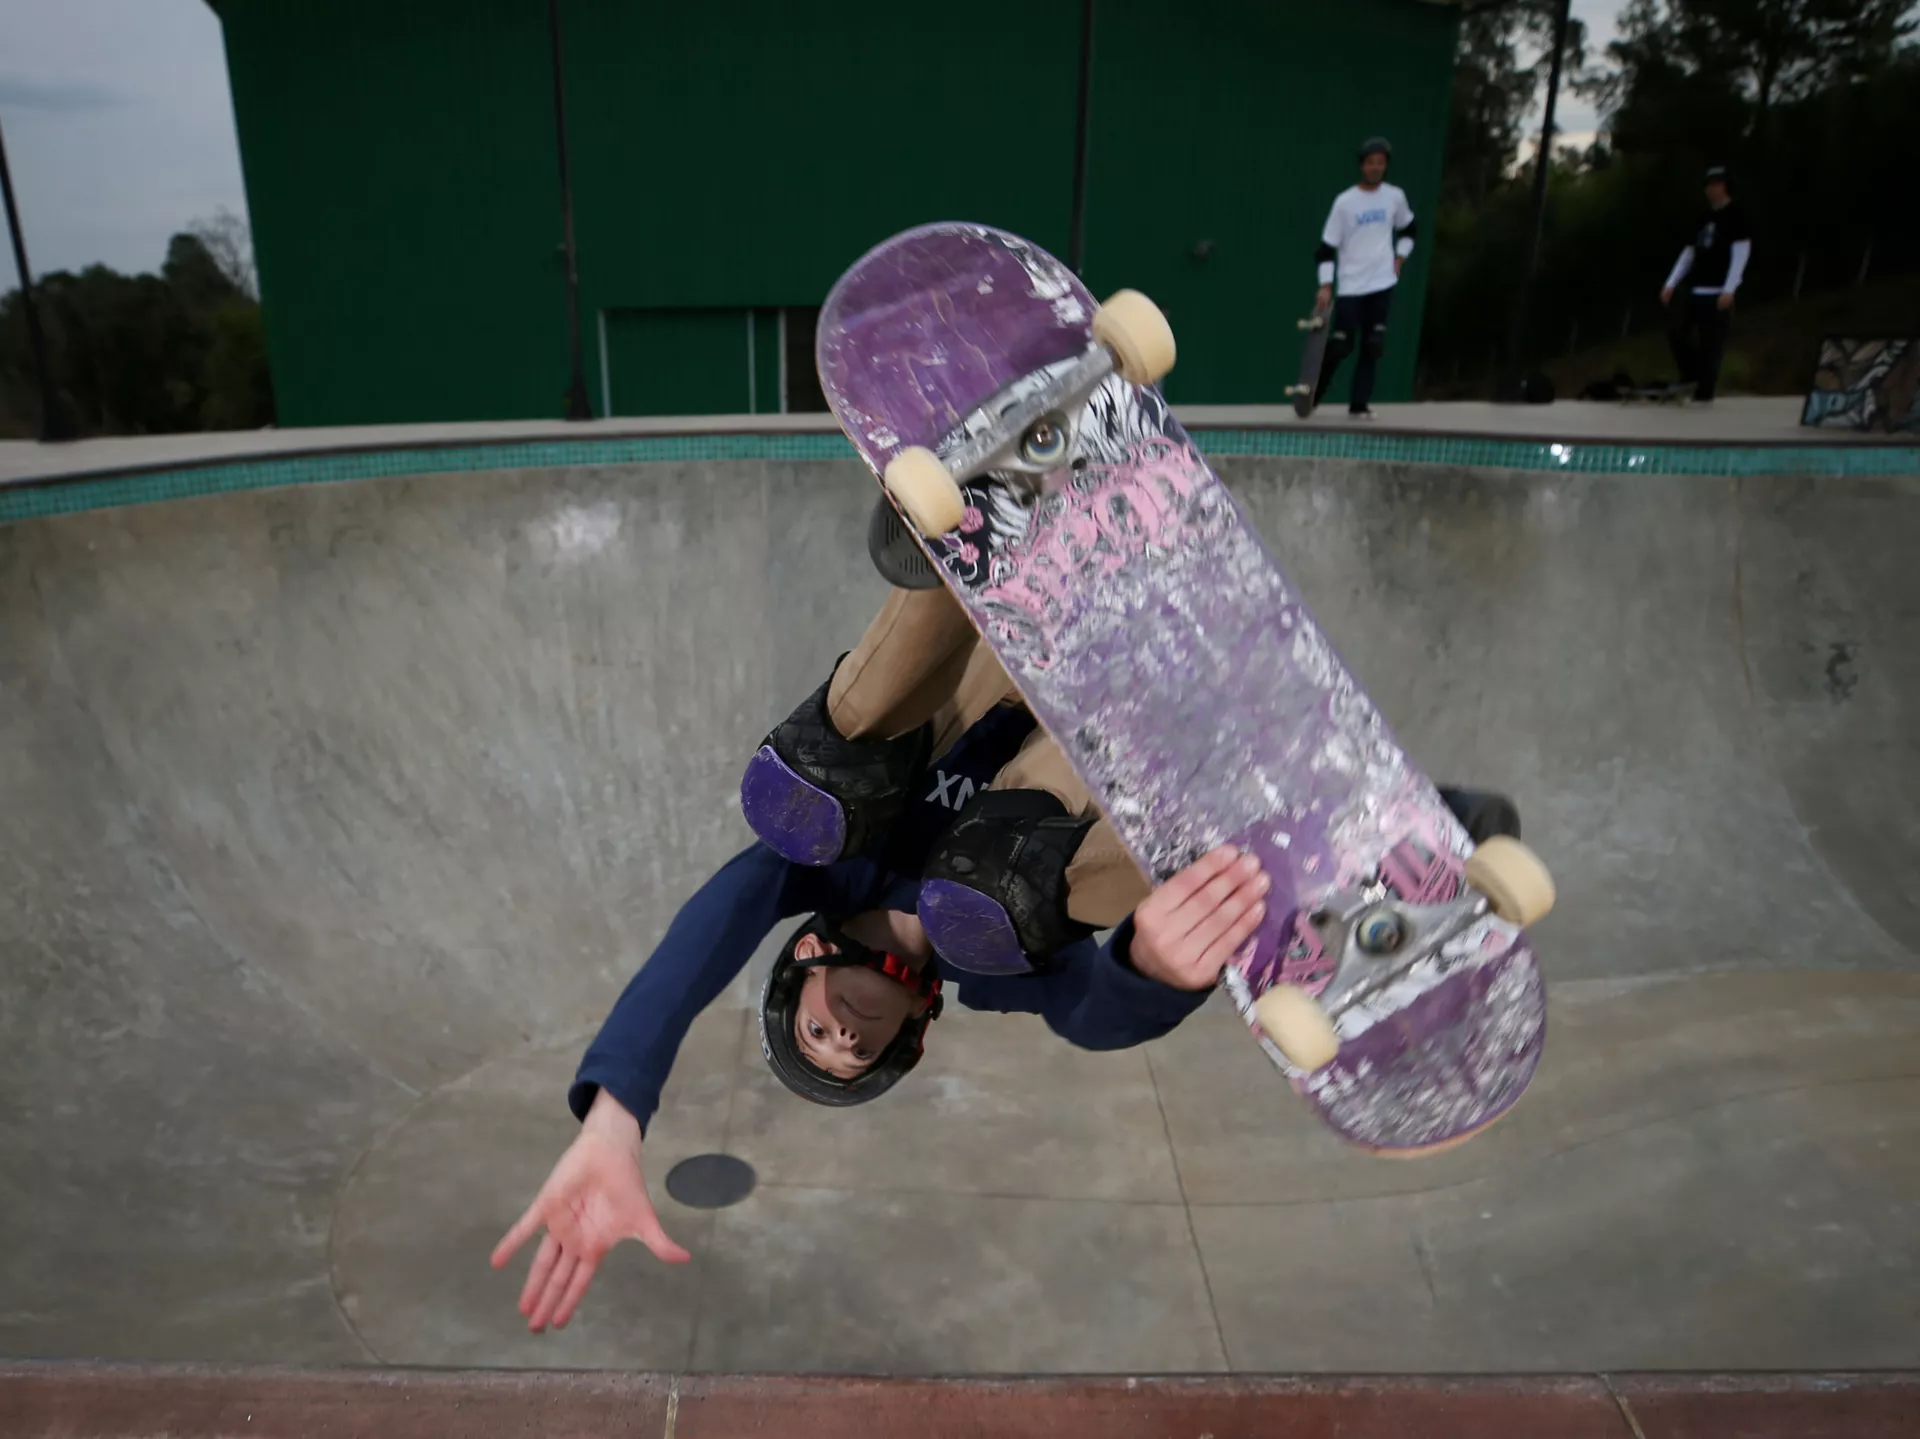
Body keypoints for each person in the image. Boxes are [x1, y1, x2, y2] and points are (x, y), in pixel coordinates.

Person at [491, 586, 1522, 1333]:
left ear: (806, 958)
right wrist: (1152, 968)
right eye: (856, 1052)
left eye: (816, 1029)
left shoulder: (816, 874)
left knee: (802, 798)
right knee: (988, 910)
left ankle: (945, 542)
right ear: (912, 1028)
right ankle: (1345, 857)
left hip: (1003, 633)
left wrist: (615, 1114)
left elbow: (701, 938)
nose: (842, 1034)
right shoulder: (988, 968)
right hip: (1119, 752)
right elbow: (1086, 1012)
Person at [1309, 136, 1418, 419]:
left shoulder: (1394, 197)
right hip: (1352, 285)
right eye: (1371, 163)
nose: (1375, 167)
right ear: (1362, 166)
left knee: (1373, 344)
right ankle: (1314, 391)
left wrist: (1400, 257)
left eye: (1380, 163)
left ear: (1385, 166)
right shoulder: (1345, 202)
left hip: (1382, 283)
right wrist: (1325, 285)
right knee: (1342, 344)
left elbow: (1410, 229)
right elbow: (1325, 248)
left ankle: (1359, 404)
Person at [1661, 165, 1752, 403]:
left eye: (1716, 184)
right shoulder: (1702, 217)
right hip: (1696, 289)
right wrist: (1671, 283)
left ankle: (1704, 393)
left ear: (1725, 186)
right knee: (1676, 332)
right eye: (1709, 185)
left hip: (1719, 291)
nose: (1712, 189)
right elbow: (1689, 253)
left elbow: (1741, 253)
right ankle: (1692, 374)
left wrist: (1730, 289)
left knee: (1711, 344)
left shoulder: (1736, 215)